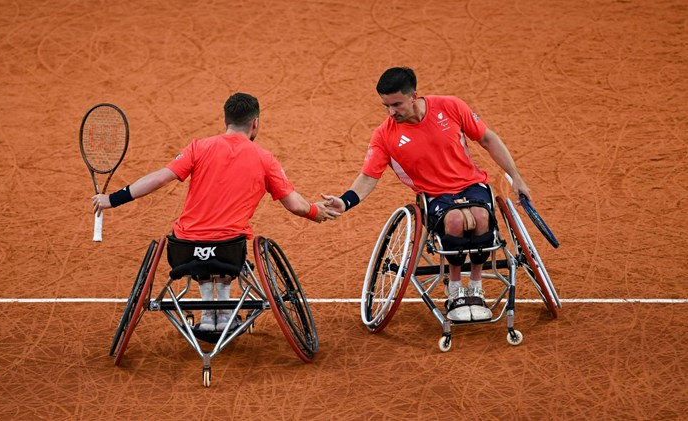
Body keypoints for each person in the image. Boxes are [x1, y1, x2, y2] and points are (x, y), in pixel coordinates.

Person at [92, 92, 339, 331]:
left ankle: (208, 313)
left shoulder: (198, 147)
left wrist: (113, 199)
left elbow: (159, 178)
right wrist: (316, 211)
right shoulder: (265, 158)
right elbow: (295, 205)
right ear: (255, 123)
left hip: (184, 251)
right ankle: (223, 313)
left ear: (225, 120)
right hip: (229, 252)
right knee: (225, 248)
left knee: (197, 245)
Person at [322, 67, 532, 322]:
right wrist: (345, 202)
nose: (391, 112)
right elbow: (368, 177)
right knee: (455, 221)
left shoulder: (451, 107)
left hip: (472, 185)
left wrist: (516, 177)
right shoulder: (384, 135)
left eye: (397, 104)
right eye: (386, 106)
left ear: (414, 96)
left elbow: (487, 139)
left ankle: (475, 285)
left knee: (480, 217)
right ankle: (455, 288)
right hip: (434, 195)